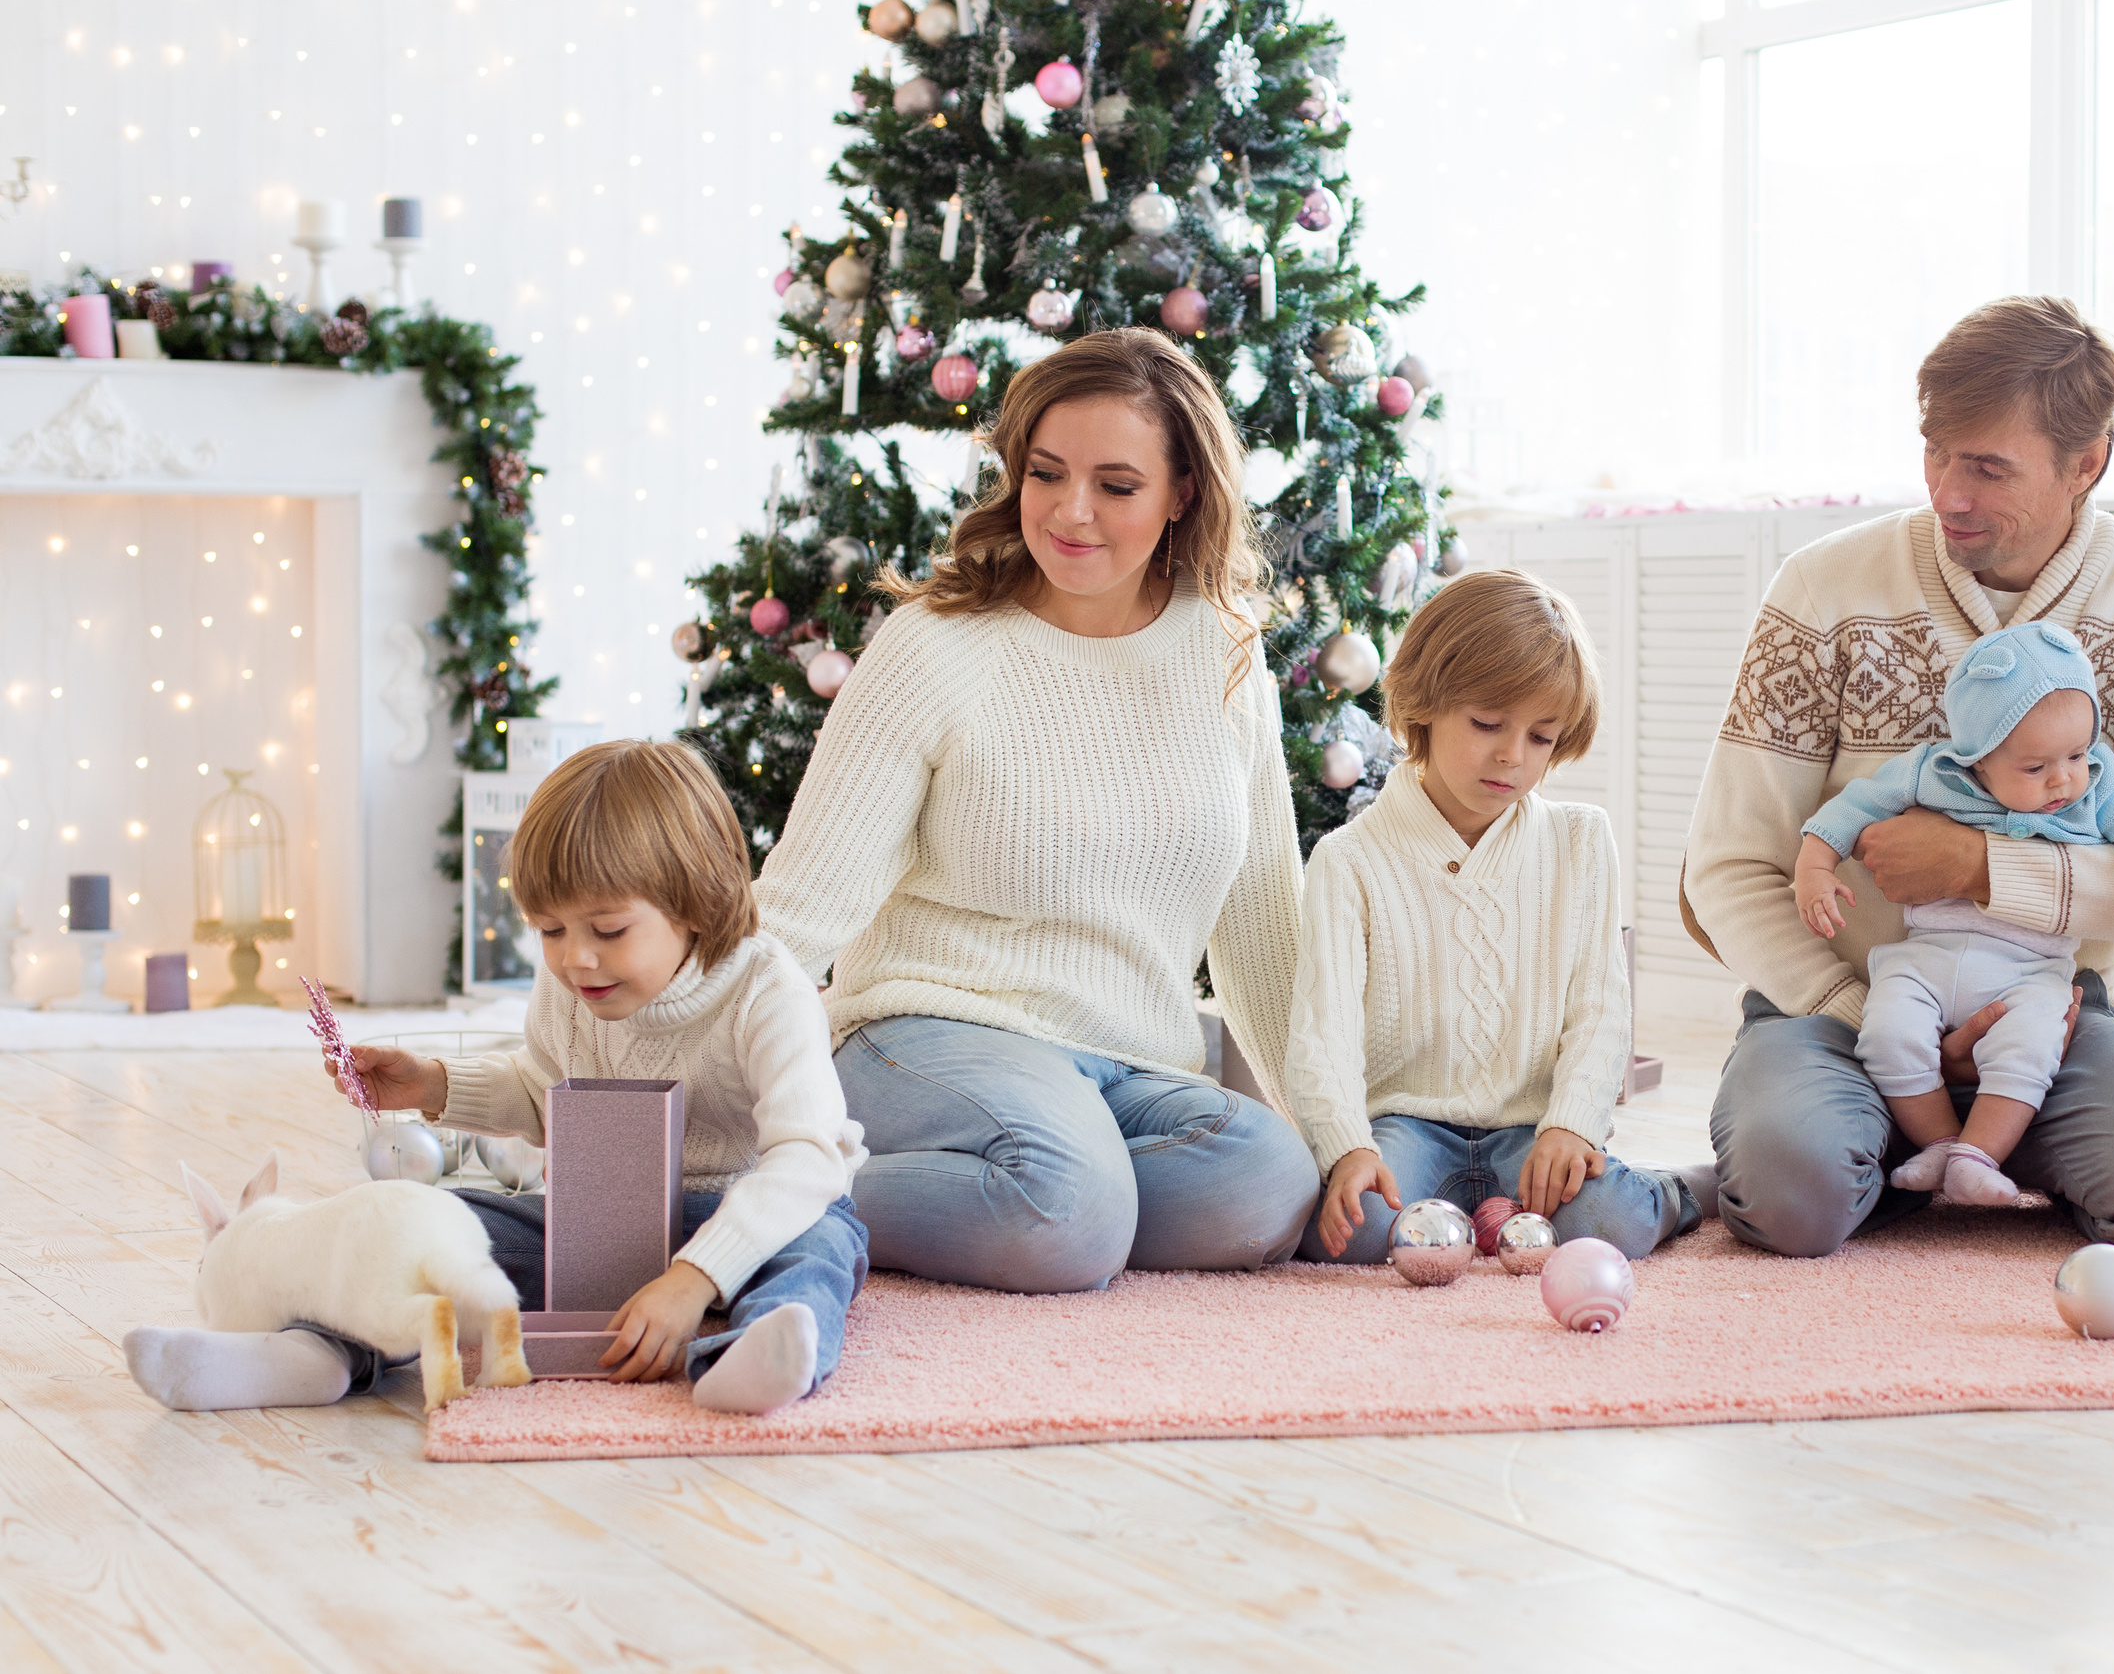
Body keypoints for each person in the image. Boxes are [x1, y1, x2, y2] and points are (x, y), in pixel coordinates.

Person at [1683, 295, 2114, 1261]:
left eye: (1989, 467)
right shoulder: (1821, 589)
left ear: (2089, 462)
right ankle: (1870, 1148)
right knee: (1791, 1196)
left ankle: (1953, 1149)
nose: (1949, 492)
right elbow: (1726, 869)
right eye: (1936, 452)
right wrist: (1875, 1018)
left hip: (2044, 1011)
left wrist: (1979, 869)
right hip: (1834, 1006)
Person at [753, 328, 1318, 1295]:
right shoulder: (935, 645)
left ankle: (1037, 1197)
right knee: (1072, 1211)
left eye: (1116, 484)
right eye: (1047, 473)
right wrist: (659, 1072)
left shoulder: (1225, 648)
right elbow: (801, 905)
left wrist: (1334, 1129)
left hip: (1133, 1061)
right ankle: (742, 1203)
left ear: (1184, 492)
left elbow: (1263, 916)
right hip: (928, 1033)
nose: (1071, 512)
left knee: (1271, 1182)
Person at [128, 739, 869, 1417]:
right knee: (433, 1222)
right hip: (604, 1209)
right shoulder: (575, 987)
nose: (576, 958)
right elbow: (547, 1096)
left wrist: (696, 1278)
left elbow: (808, 1160)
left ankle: (745, 1358)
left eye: (607, 930)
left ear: (696, 900)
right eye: (551, 930)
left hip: (755, 1209)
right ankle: (321, 1352)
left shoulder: (768, 988)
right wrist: (430, 1085)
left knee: (821, 1250)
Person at [1290, 568, 1711, 1264]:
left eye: (1542, 737)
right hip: (1406, 1125)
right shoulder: (1349, 860)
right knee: (1352, 1230)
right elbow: (1322, 1035)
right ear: (1424, 703)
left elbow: (1600, 1008)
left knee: (1616, 1224)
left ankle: (1678, 1192)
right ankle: (1473, 1213)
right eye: (1487, 723)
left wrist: (1573, 1124)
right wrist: (1348, 1148)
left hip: (1532, 1129)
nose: (1513, 755)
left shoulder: (1579, 839)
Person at [1795, 620, 2114, 1207]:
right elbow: (1850, 809)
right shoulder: (1932, 771)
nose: (2064, 777)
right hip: (1923, 958)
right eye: (2035, 767)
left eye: (2077, 754)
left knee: (2032, 1046)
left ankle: (1977, 1156)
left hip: (2031, 969)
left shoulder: (2100, 786)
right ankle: (1938, 1142)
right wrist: (1814, 869)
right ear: (1978, 760)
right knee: (1887, 1033)